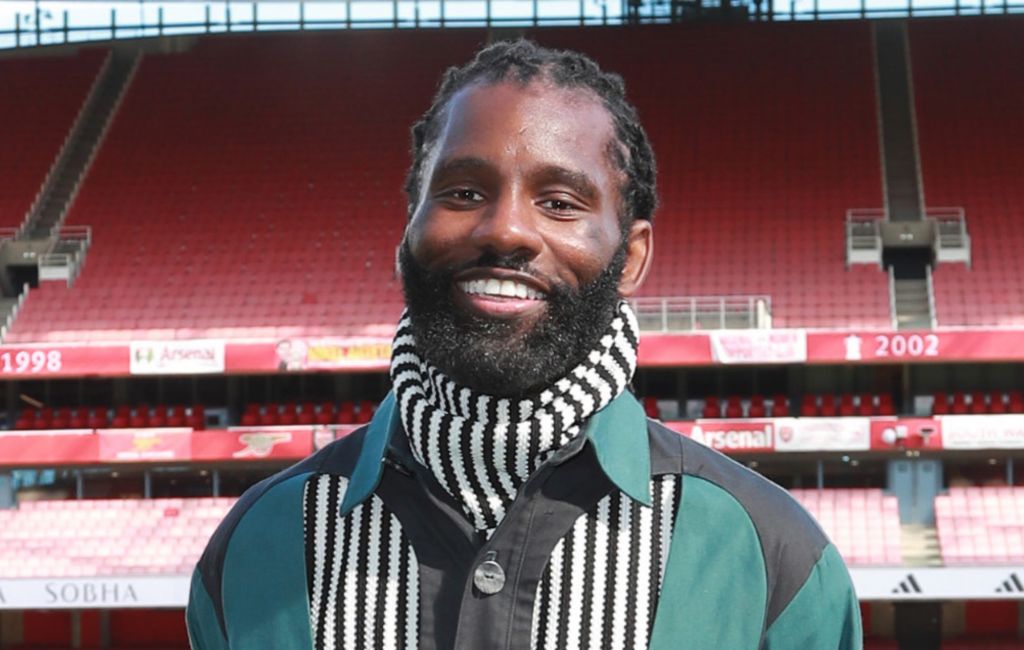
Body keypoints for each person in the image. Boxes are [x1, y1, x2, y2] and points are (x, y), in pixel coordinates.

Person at [186, 39, 862, 649]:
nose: (506, 229)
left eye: (561, 203)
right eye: (463, 191)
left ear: (630, 258)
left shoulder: (774, 557)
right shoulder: (257, 547)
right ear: (407, 235)